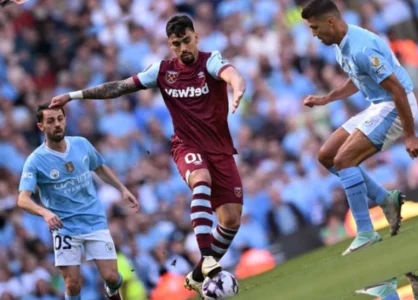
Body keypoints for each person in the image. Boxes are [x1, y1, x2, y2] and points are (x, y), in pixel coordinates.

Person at [50, 15, 246, 297]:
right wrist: (74, 95)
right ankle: (210, 263)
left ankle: (196, 274)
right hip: (187, 146)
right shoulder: (163, 71)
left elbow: (232, 74)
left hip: (220, 149)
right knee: (200, 180)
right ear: (170, 44)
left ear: (196, 37)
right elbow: (117, 87)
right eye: (176, 44)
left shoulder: (210, 61)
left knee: (231, 221)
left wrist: (237, 88)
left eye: (187, 41)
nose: (182, 49)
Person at [301, 0, 418, 256]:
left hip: (395, 106)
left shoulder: (362, 47)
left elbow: (398, 90)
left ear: (330, 22)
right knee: (326, 156)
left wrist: (410, 134)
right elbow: (358, 79)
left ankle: (366, 232)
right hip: (379, 105)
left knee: (344, 160)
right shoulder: (341, 44)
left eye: (314, 27)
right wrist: (326, 98)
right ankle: (385, 199)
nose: (313, 34)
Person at [17, 103, 140, 300]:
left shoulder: (81, 144)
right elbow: (22, 199)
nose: (57, 124)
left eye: (60, 119)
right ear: (41, 126)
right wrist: (45, 212)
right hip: (64, 227)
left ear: (65, 120)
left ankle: (112, 289)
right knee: (72, 285)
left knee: (111, 277)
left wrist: (122, 189)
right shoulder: (35, 160)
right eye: (50, 121)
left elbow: (99, 167)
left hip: (94, 220)